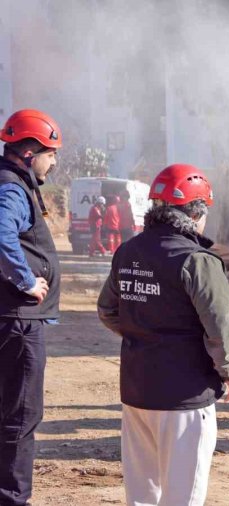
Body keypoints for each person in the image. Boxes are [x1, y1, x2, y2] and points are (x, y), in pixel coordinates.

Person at [97, 164, 229, 505]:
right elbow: (219, 326)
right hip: (185, 398)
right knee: (182, 498)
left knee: (142, 497)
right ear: (196, 213)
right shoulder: (197, 260)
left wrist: (145, 334)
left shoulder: (128, 251)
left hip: (137, 392)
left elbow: (108, 310)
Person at [0, 109, 62, 506]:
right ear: (28, 153)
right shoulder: (11, 189)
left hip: (10, 317)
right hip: (18, 322)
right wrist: (25, 280)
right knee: (20, 418)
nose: (53, 163)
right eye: (50, 154)